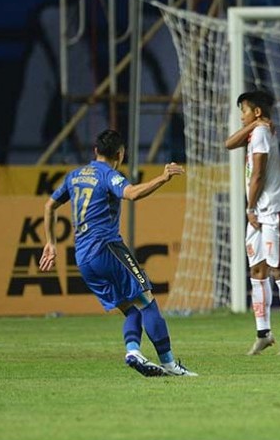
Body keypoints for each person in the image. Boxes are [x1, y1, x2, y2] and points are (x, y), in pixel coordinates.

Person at [39, 129, 196, 377]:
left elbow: (50, 205)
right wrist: (163, 178)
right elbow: (131, 193)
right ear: (120, 154)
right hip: (107, 248)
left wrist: (50, 243)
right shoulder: (108, 175)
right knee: (147, 301)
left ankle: (133, 351)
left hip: (83, 258)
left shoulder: (75, 176)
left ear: (95, 151)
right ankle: (169, 364)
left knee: (130, 309)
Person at [225, 89, 280, 355]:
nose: (241, 117)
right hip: (258, 213)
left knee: (278, 271)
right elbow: (228, 143)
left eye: (244, 111)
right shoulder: (256, 130)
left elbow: (257, 175)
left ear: (256, 111)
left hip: (271, 211)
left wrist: (250, 207)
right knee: (257, 272)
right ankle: (263, 333)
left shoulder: (260, 135)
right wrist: (255, 122)